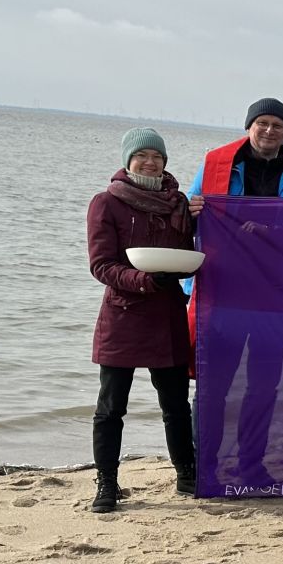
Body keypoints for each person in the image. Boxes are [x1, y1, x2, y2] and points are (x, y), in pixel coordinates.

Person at [186, 98, 283, 489]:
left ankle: (251, 465)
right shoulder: (216, 165)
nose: (268, 131)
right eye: (261, 123)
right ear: (249, 127)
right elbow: (187, 216)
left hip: (278, 295)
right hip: (224, 290)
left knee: (263, 386)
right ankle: (202, 466)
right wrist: (190, 209)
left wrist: (269, 230)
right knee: (215, 385)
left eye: (277, 125)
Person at [85, 127, 196, 513]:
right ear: (127, 160)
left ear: (165, 161)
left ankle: (186, 473)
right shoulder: (106, 203)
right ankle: (107, 484)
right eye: (142, 156)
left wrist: (199, 221)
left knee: (176, 404)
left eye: (157, 156)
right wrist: (144, 280)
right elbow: (101, 265)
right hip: (123, 314)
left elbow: (186, 252)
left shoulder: (179, 202)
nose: (150, 162)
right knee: (111, 406)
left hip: (167, 314)